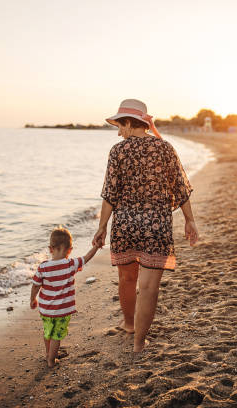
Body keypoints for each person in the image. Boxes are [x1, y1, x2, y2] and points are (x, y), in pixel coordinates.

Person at [93, 99, 199, 353]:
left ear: (130, 123)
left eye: (121, 126)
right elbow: (180, 187)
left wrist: (102, 227)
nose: (119, 133)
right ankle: (139, 343)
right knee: (149, 288)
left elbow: (110, 193)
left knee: (127, 278)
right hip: (156, 226)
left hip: (126, 226)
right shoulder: (165, 148)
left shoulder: (117, 151)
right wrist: (189, 219)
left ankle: (129, 324)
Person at [30, 226, 98, 368]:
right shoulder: (70, 264)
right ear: (70, 250)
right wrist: (96, 247)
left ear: (50, 249)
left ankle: (48, 353)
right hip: (62, 311)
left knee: (48, 332)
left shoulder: (43, 267)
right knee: (57, 336)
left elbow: (36, 285)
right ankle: (51, 360)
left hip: (46, 310)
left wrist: (33, 299)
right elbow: (87, 257)